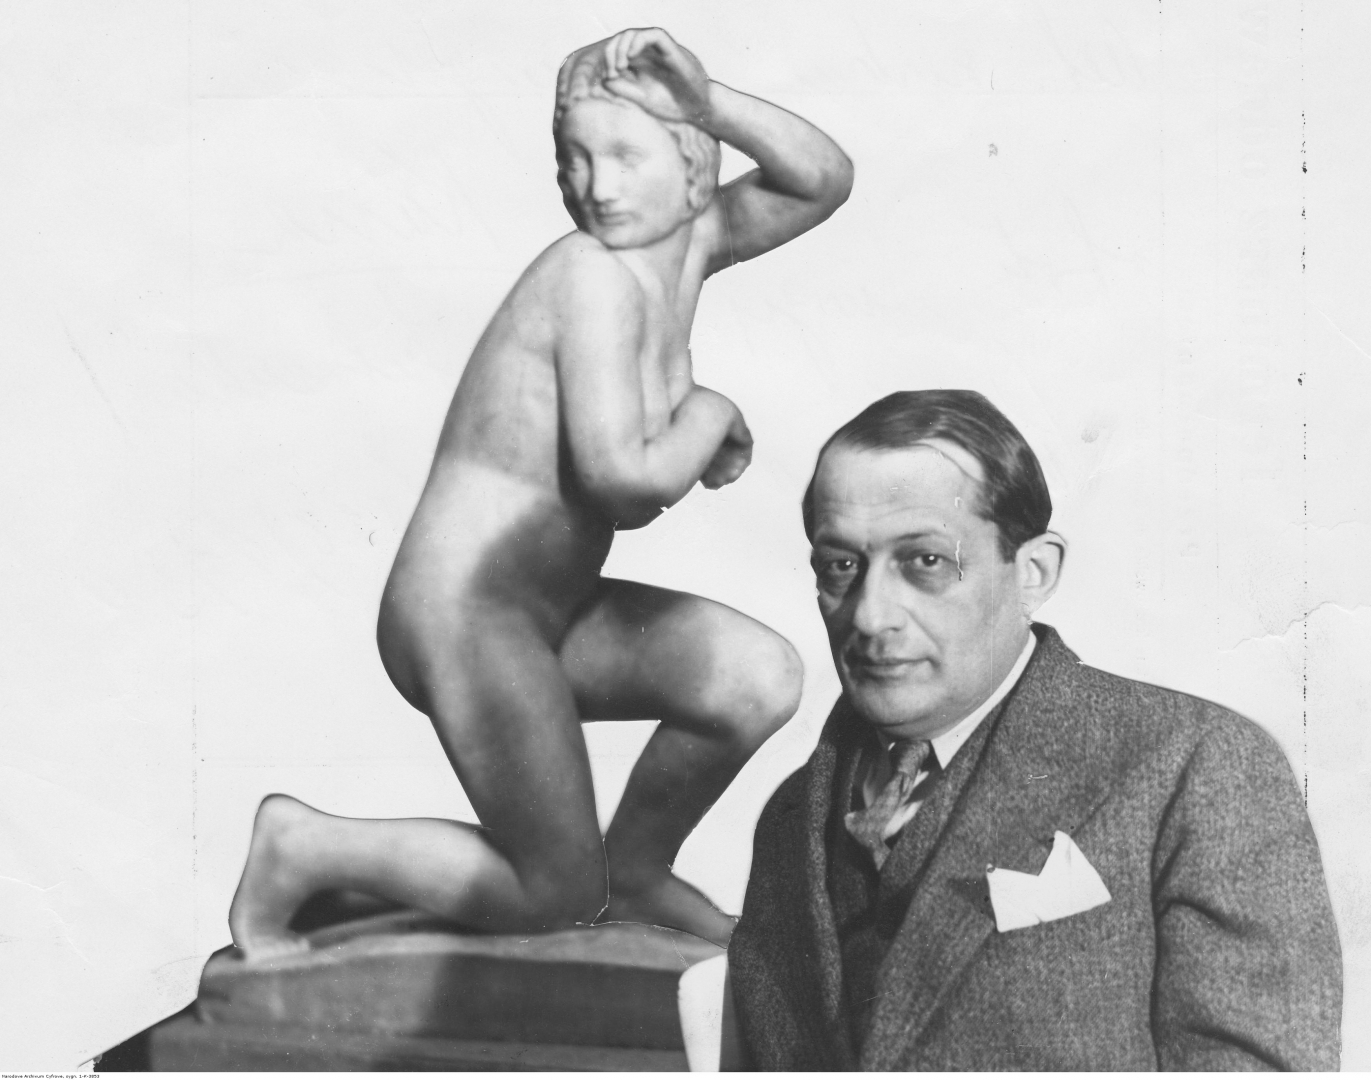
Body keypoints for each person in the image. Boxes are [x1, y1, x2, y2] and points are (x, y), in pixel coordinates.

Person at [226, 27, 853, 956]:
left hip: (548, 611)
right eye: (575, 158)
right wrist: (710, 412)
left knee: (754, 678)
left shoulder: (690, 242)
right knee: (554, 893)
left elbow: (823, 179)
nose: (595, 186)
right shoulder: (589, 275)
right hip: (464, 614)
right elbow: (625, 482)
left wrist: (707, 97)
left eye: (625, 156)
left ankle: (637, 869)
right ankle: (305, 845)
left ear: (692, 167)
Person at [726, 390, 1342, 1069]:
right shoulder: (791, 816)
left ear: (1033, 573)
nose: (871, 617)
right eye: (841, 566)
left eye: (925, 562)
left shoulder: (1200, 767)